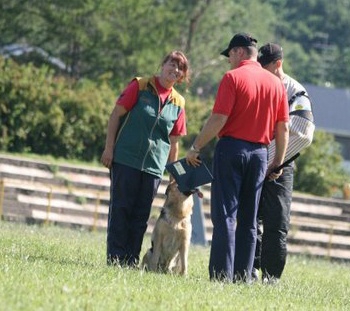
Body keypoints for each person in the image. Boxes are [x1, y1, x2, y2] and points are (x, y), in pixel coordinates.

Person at [185, 33, 289, 283]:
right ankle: (243, 276)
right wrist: (278, 162)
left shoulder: (232, 77)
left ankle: (221, 275)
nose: (228, 60)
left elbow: (219, 118)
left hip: (231, 149)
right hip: (260, 155)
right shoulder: (276, 83)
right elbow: (283, 127)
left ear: (239, 52)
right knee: (249, 219)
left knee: (225, 215)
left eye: (229, 54)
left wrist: (196, 146)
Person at [101, 50, 190, 267]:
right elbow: (116, 115)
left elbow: (174, 142)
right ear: (163, 64)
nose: (174, 70)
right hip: (126, 159)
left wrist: (173, 175)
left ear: (182, 76)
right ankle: (115, 259)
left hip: (153, 167)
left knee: (140, 216)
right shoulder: (140, 86)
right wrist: (109, 149)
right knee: (121, 210)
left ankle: (130, 260)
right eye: (172, 64)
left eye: (180, 68)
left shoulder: (179, 102)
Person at [253, 43, 315, 283]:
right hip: (255, 160)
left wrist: (272, 161)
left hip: (281, 164)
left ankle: (271, 277)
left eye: (265, 66)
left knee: (276, 223)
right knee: (250, 220)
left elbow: (303, 131)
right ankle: (250, 269)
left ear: (278, 64)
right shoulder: (256, 84)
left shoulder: (296, 92)